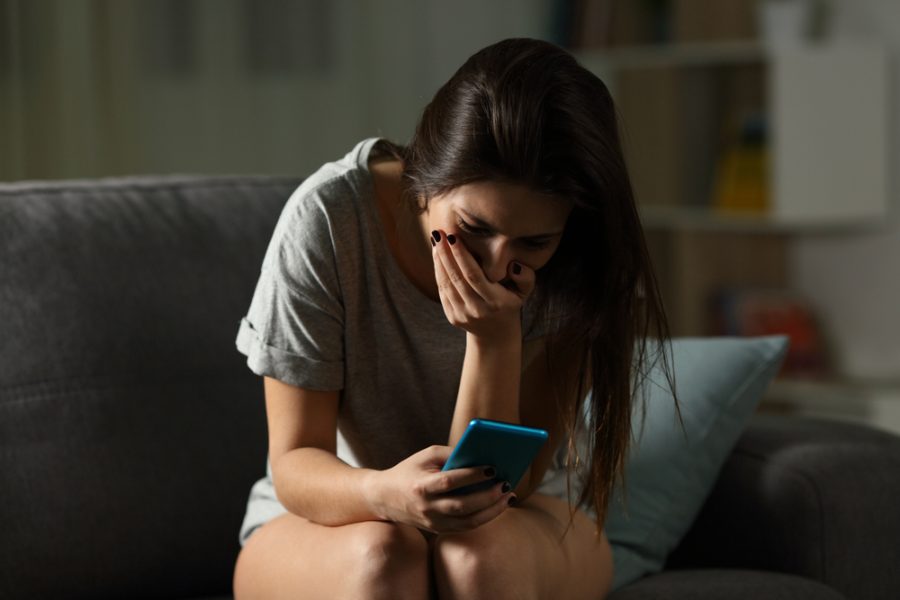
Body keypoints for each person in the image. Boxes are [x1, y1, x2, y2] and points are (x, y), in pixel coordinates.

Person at [232, 37, 672, 600]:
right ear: (425, 182)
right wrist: (385, 495)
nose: (496, 264)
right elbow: (295, 461)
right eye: (476, 228)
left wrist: (494, 341)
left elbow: (502, 488)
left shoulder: (576, 259)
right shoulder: (329, 220)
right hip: (335, 521)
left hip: (521, 516)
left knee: (478, 558)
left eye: (533, 242)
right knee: (384, 560)